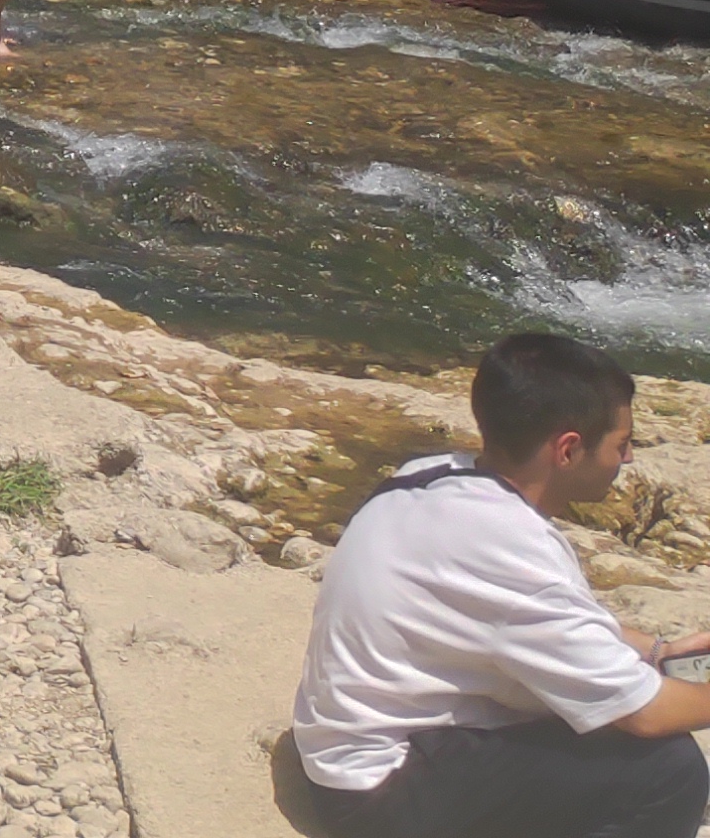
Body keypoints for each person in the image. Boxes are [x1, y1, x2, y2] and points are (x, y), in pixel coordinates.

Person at [287, 330, 710, 837]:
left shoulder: (429, 475)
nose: (630, 459)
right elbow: (645, 713)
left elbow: (549, 619)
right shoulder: (506, 545)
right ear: (569, 450)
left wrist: (659, 652)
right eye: (622, 444)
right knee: (669, 770)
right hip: (380, 794)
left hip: (346, 750)